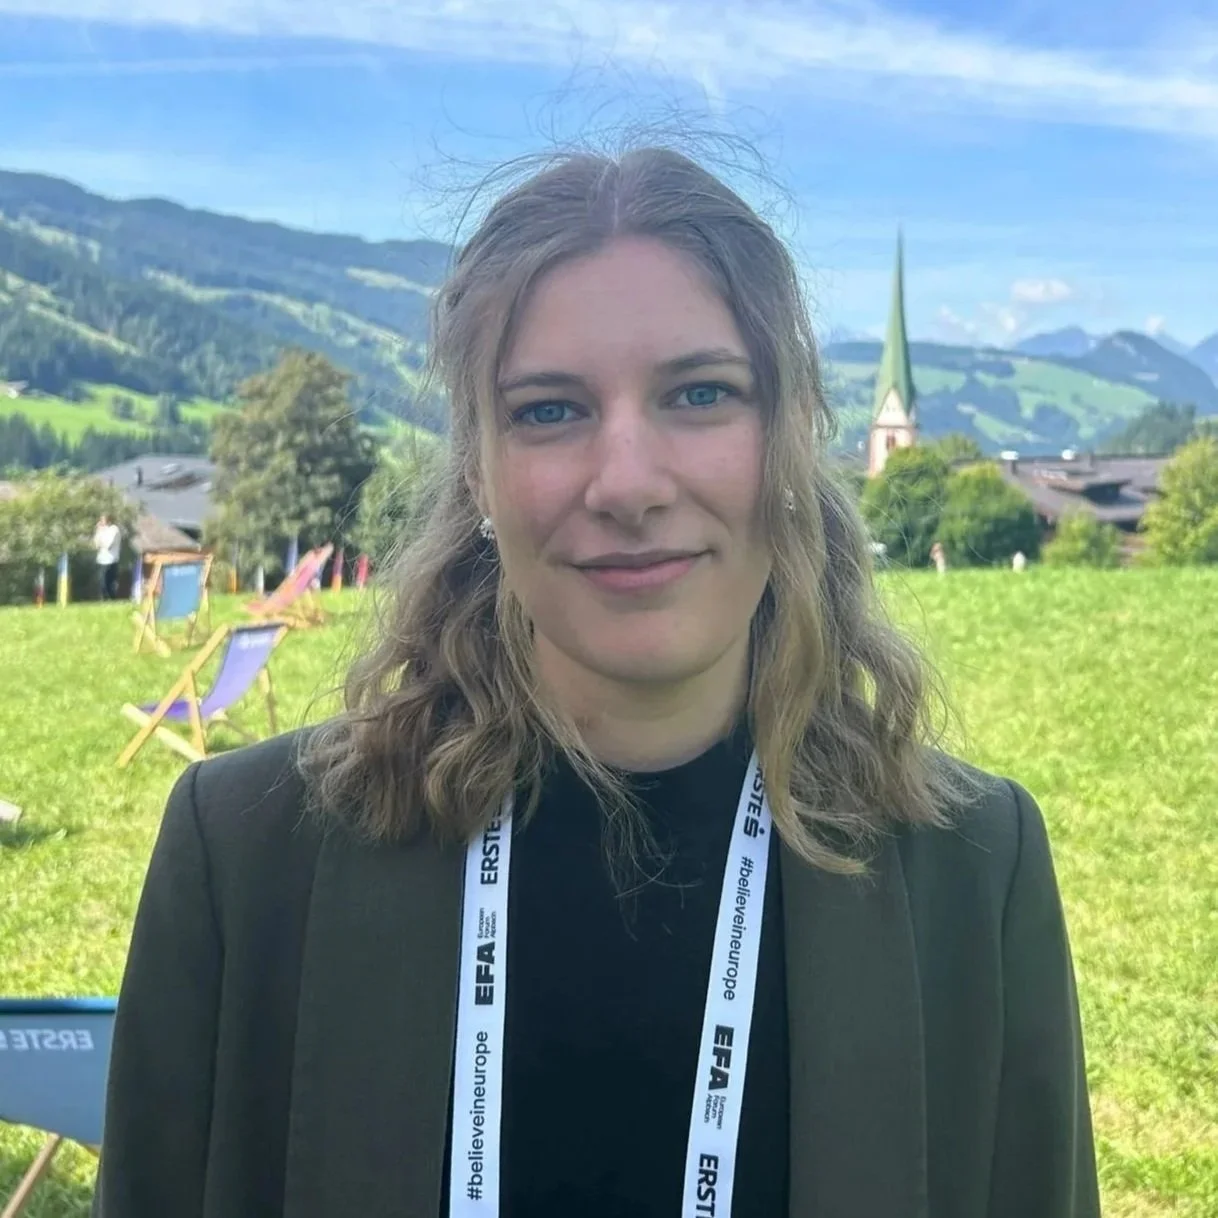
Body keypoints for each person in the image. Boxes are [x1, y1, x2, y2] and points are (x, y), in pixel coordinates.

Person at [94, 147, 1100, 1218]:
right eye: (549, 411)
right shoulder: (247, 856)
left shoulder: (970, 871)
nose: (627, 483)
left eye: (701, 393)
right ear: (477, 468)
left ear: (793, 437)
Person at [92, 513, 121, 600]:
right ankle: (104, 598)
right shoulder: (100, 530)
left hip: (111, 559)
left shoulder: (114, 530)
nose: (101, 523)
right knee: (102, 581)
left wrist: (101, 542)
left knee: (109, 581)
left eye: (103, 520)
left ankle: (111, 598)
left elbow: (108, 545)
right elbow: (96, 544)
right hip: (101, 559)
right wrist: (98, 531)